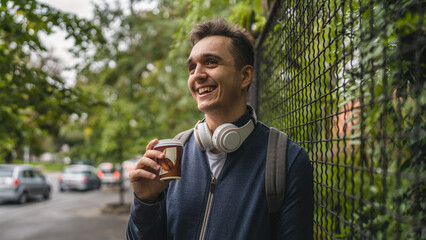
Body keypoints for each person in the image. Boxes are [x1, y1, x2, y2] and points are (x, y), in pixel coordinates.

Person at [126, 18, 313, 239]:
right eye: (192, 67)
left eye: (211, 62)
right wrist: (146, 201)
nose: (197, 74)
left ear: (245, 76)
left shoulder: (287, 159)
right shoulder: (174, 155)